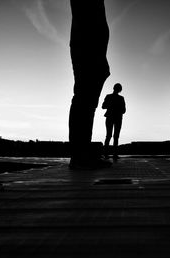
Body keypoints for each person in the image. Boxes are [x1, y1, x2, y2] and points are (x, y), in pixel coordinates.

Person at [68, 0, 111, 169]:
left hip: (92, 47)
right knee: (84, 99)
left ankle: (81, 154)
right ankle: (80, 156)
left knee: (86, 100)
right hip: (88, 46)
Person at [102, 83, 126, 160]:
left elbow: (103, 106)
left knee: (110, 135)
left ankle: (107, 154)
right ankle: (113, 154)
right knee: (114, 136)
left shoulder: (109, 96)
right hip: (117, 118)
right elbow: (123, 110)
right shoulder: (121, 98)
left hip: (111, 117)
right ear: (120, 90)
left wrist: (111, 106)